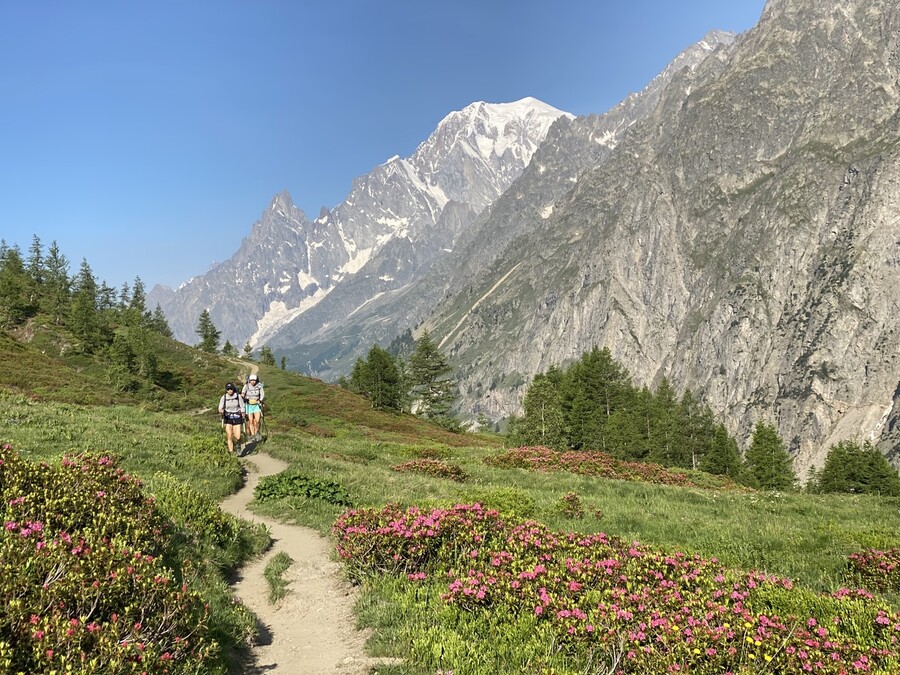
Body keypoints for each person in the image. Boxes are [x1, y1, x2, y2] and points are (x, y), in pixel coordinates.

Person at [218, 382, 245, 454]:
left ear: (233, 389)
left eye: (231, 389)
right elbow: (220, 407)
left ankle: (238, 445)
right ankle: (231, 452)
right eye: (228, 389)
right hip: (228, 417)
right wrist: (221, 411)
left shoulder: (238, 396)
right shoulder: (224, 397)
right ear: (226, 390)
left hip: (237, 416)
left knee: (237, 436)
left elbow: (242, 406)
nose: (230, 390)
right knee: (229, 435)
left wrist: (243, 412)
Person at [241, 373, 265, 440]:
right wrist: (243, 396)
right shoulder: (246, 386)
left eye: (254, 380)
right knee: (250, 420)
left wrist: (260, 400)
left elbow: (262, 394)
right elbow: (243, 392)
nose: (253, 382)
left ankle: (257, 431)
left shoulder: (259, 386)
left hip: (257, 405)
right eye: (251, 380)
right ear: (249, 380)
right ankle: (253, 435)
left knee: (257, 420)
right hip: (249, 405)